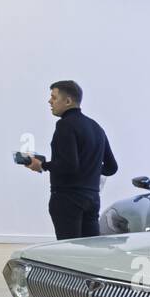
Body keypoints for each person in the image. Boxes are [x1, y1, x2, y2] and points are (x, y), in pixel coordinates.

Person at [24, 81, 118, 239]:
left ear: (67, 101)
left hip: (68, 199)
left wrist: (41, 164)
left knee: (67, 251)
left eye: (54, 97)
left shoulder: (65, 125)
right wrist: (89, 168)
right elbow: (111, 168)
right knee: (90, 250)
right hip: (92, 199)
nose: (50, 101)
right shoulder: (96, 127)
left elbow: (68, 166)